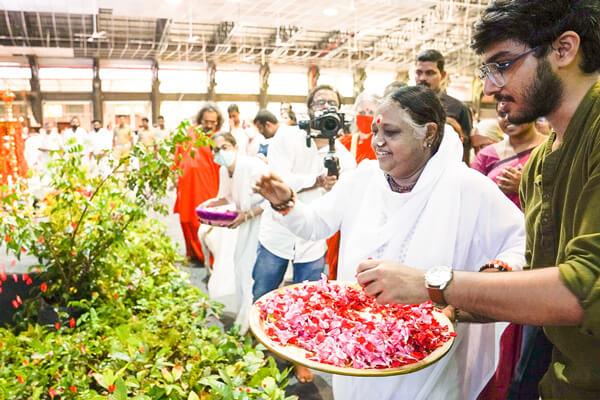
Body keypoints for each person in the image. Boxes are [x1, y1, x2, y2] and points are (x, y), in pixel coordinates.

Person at [355, 1, 600, 398]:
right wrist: (446, 307)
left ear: (564, 49)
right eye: (487, 70)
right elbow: (538, 279)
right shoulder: (542, 161)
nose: (489, 86)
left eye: (502, 64)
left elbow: (585, 287)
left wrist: (433, 284)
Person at [254, 85, 526, 400]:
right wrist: (285, 203)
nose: (378, 142)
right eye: (375, 131)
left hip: (427, 356)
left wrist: (458, 299)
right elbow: (316, 225)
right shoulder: (363, 178)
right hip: (358, 349)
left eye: (392, 132)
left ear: (429, 133)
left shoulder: (467, 187)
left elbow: (518, 247)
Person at [252, 84, 356, 383]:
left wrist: (337, 188)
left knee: (307, 304)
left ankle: (297, 357)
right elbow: (277, 178)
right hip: (276, 233)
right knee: (263, 293)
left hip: (312, 243)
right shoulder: (287, 135)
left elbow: (344, 199)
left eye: (332, 102)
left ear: (340, 111)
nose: (325, 106)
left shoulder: (345, 156)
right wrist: (317, 180)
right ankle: (263, 348)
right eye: (319, 101)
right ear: (308, 109)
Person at [201, 132, 267, 334]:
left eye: (224, 148)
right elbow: (227, 196)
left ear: (235, 147)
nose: (220, 153)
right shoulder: (224, 170)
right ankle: (246, 317)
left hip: (262, 223)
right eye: (215, 149)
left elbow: (270, 200)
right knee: (239, 269)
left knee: (250, 272)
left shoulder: (253, 167)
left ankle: (251, 324)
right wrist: (209, 204)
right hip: (245, 223)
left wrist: (247, 214)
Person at [327, 91, 379, 279]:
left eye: (370, 111)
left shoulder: (382, 144)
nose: (365, 115)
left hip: (371, 210)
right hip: (344, 210)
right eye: (362, 111)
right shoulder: (343, 143)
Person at [173, 103, 222, 265]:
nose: (208, 125)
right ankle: (192, 253)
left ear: (217, 123)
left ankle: (207, 256)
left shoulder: (218, 139)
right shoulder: (189, 132)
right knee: (186, 218)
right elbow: (178, 151)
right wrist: (174, 172)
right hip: (186, 184)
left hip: (207, 186)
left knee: (202, 220)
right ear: (200, 119)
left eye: (212, 122)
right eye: (206, 121)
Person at [472, 106, 546, 208]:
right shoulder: (485, 155)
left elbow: (564, 196)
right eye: (502, 114)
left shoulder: (551, 148)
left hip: (535, 222)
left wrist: (524, 187)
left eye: (516, 111)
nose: (508, 118)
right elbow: (472, 196)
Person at [415, 49, 473, 161]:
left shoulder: (459, 109)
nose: (422, 78)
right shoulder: (405, 105)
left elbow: (466, 148)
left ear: (442, 75)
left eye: (430, 73)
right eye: (419, 73)